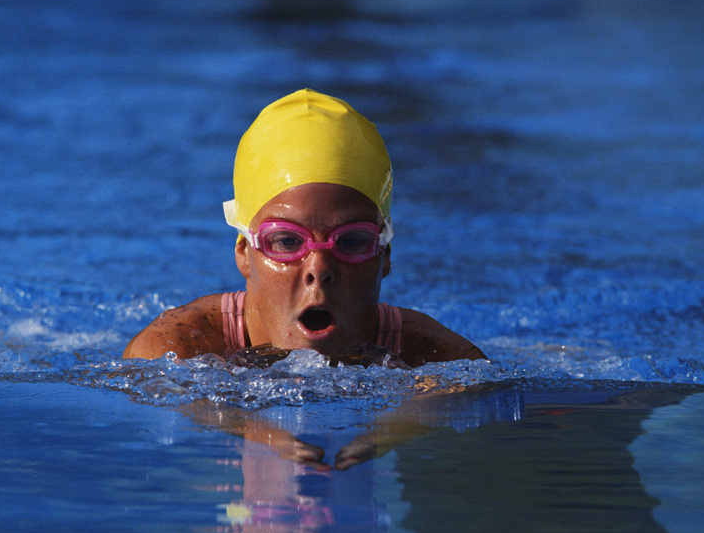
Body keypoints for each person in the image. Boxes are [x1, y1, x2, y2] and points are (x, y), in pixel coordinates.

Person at [124, 88, 483, 368]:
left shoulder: (440, 360)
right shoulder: (173, 353)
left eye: (352, 241)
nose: (319, 269)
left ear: (385, 256)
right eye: (286, 241)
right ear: (244, 253)